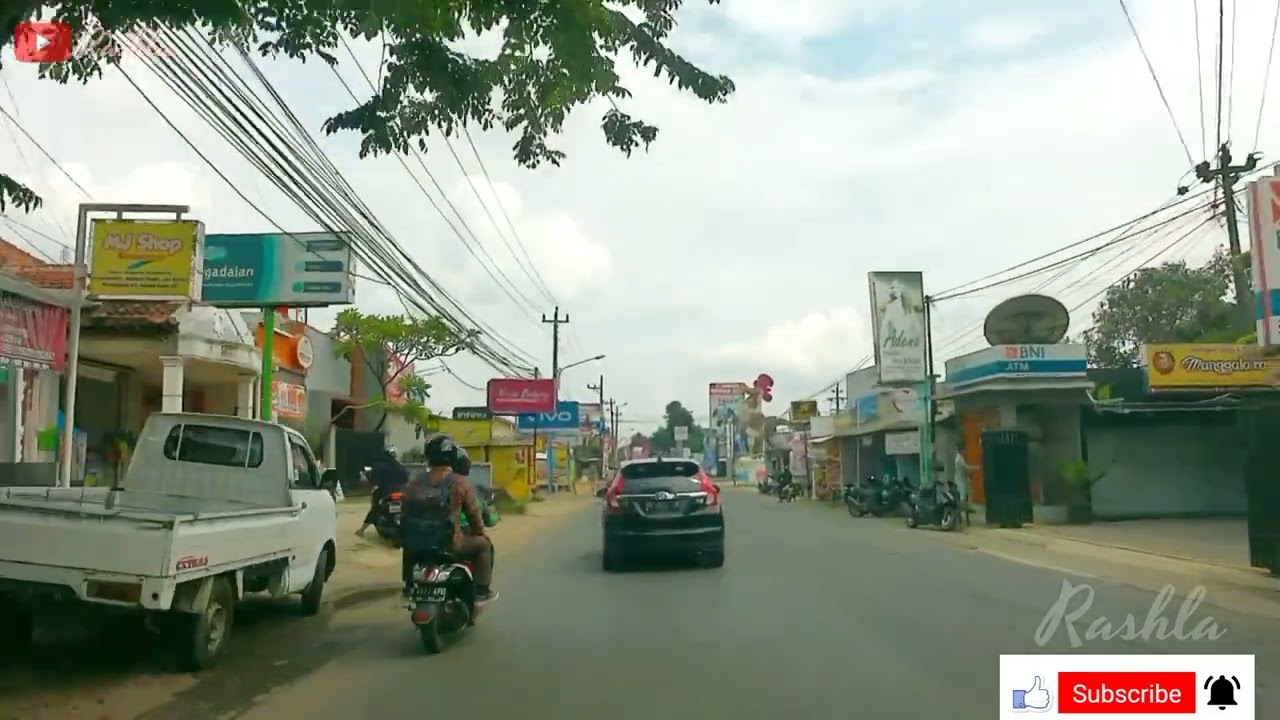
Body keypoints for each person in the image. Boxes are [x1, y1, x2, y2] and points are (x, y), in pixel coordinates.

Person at [399, 434, 497, 604]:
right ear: (452, 455)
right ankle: (481, 591)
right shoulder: (459, 482)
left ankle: (408, 585)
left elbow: (405, 512)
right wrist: (481, 532)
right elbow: (473, 513)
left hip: (418, 544)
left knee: (410, 545)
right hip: (449, 544)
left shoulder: (415, 482)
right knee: (484, 545)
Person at [355, 447, 408, 537]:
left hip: (385, 492)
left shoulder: (378, 465)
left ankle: (362, 530)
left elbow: (373, 480)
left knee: (375, 508)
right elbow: (406, 479)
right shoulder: (400, 466)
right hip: (400, 493)